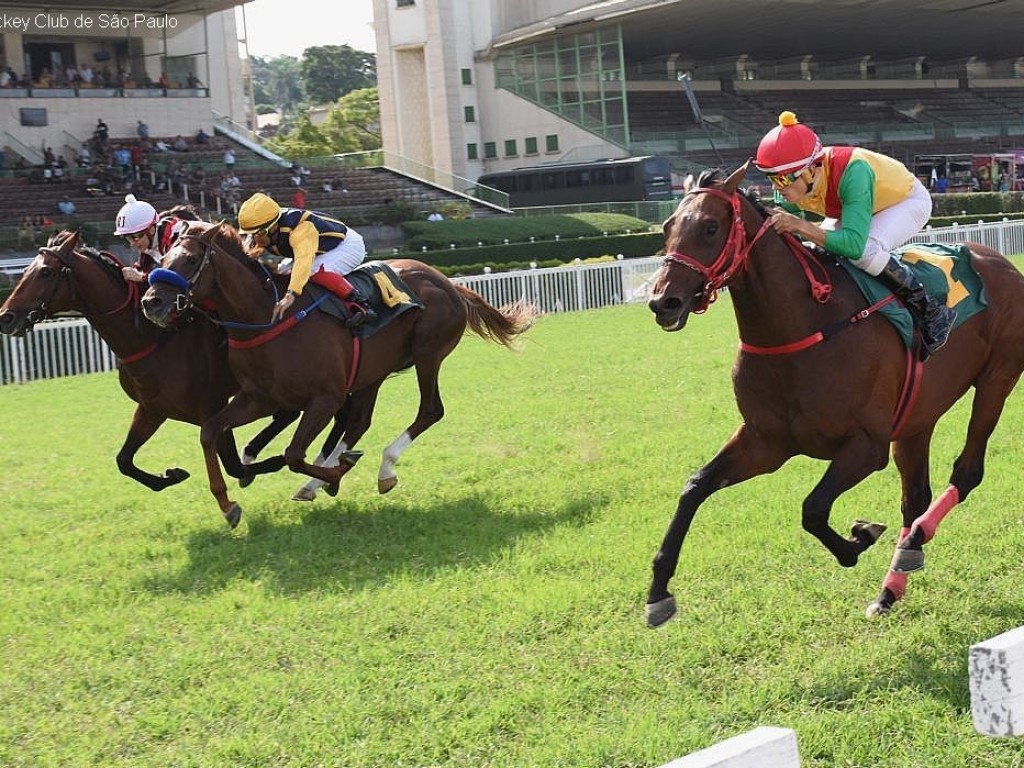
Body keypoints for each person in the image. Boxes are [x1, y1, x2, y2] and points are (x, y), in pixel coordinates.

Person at [754, 110, 956, 358]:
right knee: (819, 250)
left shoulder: (853, 172)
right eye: (771, 178)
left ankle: (931, 311)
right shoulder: (799, 181)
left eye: (783, 179)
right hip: (860, 205)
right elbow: (770, 212)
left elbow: (853, 245)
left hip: (904, 201)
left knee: (865, 251)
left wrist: (801, 225)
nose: (777, 188)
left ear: (812, 170)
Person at [236, 192, 375, 327]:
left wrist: (290, 295)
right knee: (282, 271)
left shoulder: (300, 230)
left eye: (259, 233)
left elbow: (304, 261)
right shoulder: (263, 228)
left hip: (345, 245)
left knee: (312, 272)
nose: (254, 238)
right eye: (249, 234)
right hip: (317, 247)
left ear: (273, 227)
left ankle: (361, 305)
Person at [113, 194, 190, 283]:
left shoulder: (176, 237)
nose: (132, 244)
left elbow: (179, 277)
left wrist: (142, 277)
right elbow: (140, 269)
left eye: (135, 237)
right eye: (128, 238)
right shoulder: (148, 244)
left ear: (151, 230)